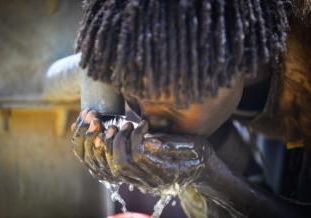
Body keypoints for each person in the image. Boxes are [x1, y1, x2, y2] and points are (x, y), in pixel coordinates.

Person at [71, 0, 311, 217]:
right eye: (135, 98)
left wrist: (209, 175)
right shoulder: (211, 92)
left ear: (240, 56)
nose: (148, 123)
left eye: (175, 105)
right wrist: (106, 122)